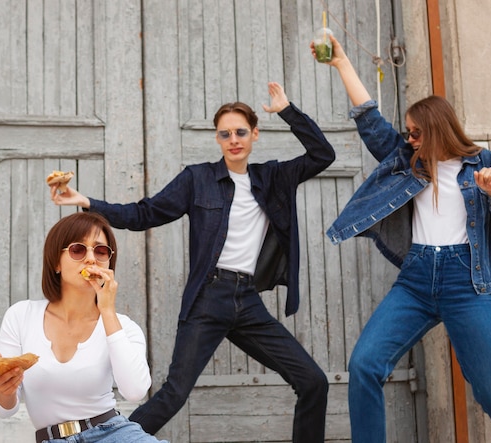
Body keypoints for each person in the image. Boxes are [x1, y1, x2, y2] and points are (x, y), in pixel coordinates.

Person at [49, 82, 334, 443]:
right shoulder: (198, 179)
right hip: (209, 298)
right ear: (217, 138)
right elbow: (143, 214)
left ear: (255, 134)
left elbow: (323, 154)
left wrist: (288, 111)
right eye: (225, 133)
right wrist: (87, 201)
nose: (233, 139)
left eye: (241, 132)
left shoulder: (273, 178)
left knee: (313, 382)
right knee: (174, 393)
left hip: (247, 301)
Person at [311, 36, 491, 443]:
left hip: (467, 284)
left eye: (417, 133)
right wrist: (343, 62)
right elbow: (369, 120)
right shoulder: (407, 160)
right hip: (416, 281)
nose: (410, 139)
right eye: (408, 133)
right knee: (365, 365)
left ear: (437, 128)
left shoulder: (484, 163)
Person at [0, 212, 169, 443]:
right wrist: (5, 390)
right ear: (56, 262)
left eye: (101, 251)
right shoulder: (21, 316)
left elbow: (135, 391)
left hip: (114, 434)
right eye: (78, 249)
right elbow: (3, 410)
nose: (91, 259)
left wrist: (107, 310)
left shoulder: (122, 326)